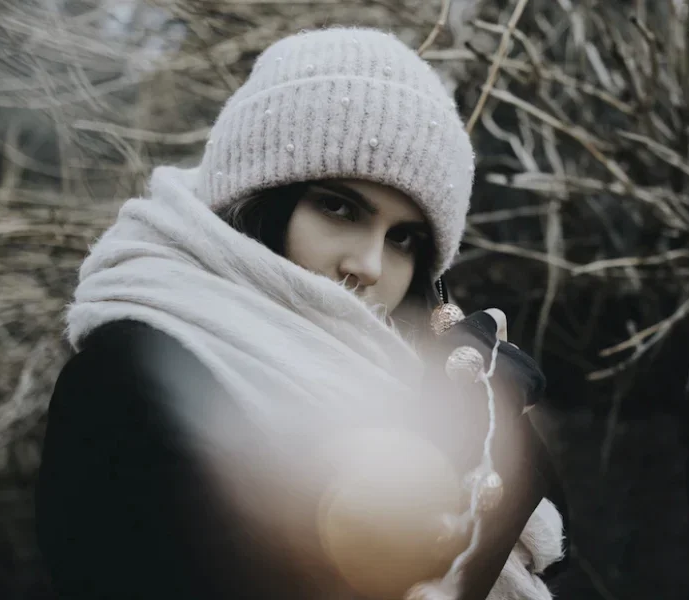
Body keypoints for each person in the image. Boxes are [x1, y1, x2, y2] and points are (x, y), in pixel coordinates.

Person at [35, 27, 567, 600]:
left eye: (405, 239)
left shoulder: (393, 379)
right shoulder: (130, 379)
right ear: (260, 202)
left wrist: (485, 426)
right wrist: (459, 453)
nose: (366, 263)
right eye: (339, 207)